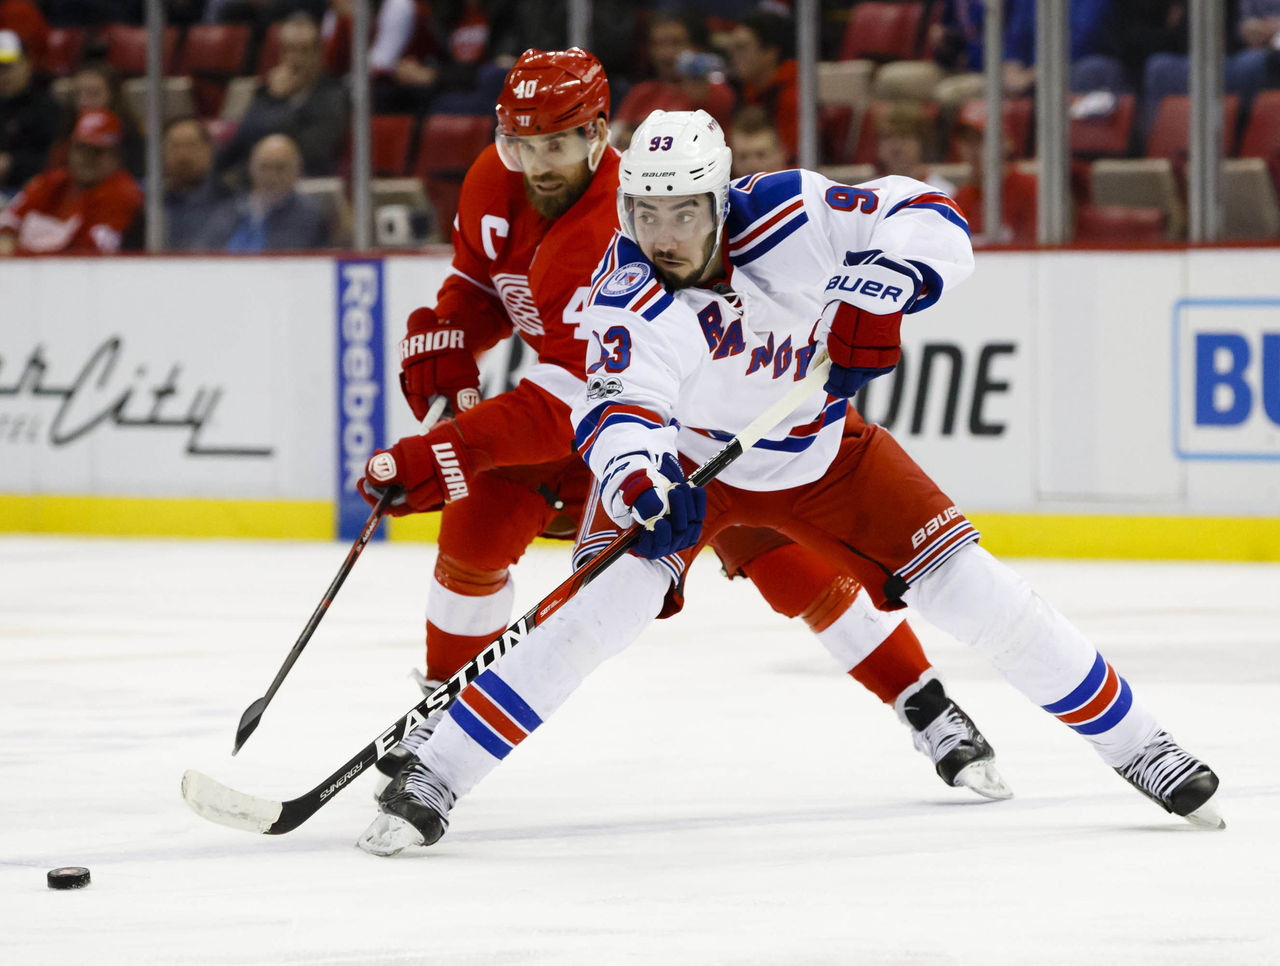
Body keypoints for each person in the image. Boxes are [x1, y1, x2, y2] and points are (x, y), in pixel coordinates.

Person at [355, 108, 1224, 855]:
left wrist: (886, 282)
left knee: (976, 593)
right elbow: (617, 410)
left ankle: (1142, 745)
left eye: (683, 211)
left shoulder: (793, 213)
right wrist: (636, 479)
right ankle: (437, 776)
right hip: (697, 467)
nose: (662, 233)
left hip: (825, 453)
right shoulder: (625, 289)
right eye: (645, 211)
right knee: (593, 615)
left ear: (722, 199)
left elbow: (932, 214)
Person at [356, 47, 1009, 823]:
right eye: (521, 144)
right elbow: (479, 282)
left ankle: (925, 704)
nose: (536, 163)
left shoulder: (622, 218)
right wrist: (447, 333)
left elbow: (575, 389)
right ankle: (438, 715)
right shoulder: (491, 181)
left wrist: (455, 446)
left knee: (785, 561)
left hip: (672, 425)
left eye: (556, 143)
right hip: (576, 433)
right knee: (471, 537)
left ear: (600, 134)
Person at [214, 11, 348, 181]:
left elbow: (310, 152)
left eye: (303, 50)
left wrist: (279, 102)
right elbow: (243, 137)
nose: (295, 59)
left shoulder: (333, 95)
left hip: (302, 184)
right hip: (253, 181)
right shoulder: (268, 92)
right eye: (288, 50)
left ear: (318, 54)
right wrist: (272, 97)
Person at [0, 107, 141, 255]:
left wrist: (22, 247)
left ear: (116, 156)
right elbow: (6, 225)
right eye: (81, 149)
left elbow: (90, 253)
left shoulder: (122, 193)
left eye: (96, 152)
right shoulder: (51, 181)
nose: (85, 159)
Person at [612, 11, 735, 150]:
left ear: (696, 47)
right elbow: (614, 140)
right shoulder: (641, 92)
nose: (666, 54)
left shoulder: (715, 92)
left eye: (676, 43)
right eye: (658, 44)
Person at [197, 132, 330, 251]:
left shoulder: (310, 216)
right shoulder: (229, 211)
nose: (271, 176)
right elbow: (203, 250)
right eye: (264, 167)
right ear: (251, 168)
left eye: (280, 168)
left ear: (296, 171)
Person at [951, 102, 1037, 245]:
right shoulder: (959, 199)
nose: (973, 149)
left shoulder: (1031, 190)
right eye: (967, 140)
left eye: (982, 139)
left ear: (1007, 143)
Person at [724, 11, 797, 162]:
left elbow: (794, 158)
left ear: (771, 52)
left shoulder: (795, 94)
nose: (733, 55)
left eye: (742, 47)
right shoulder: (743, 89)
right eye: (732, 48)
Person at [161, 116, 235, 251]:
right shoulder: (150, 202)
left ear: (208, 151)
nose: (182, 155)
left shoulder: (232, 203)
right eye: (175, 146)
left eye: (191, 145)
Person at [0, 28, 57, 199]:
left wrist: (12, 164)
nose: (2, 75)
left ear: (27, 64)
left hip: (31, 194)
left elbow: (55, 162)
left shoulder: (46, 108)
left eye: (7, 67)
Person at [873, 102, 956, 195]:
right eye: (887, 137)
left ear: (922, 142)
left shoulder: (943, 192)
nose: (896, 146)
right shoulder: (868, 192)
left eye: (904, 136)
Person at [728, 105, 787, 180]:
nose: (752, 166)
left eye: (761, 155)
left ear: (781, 154)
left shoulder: (803, 187)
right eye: (743, 157)